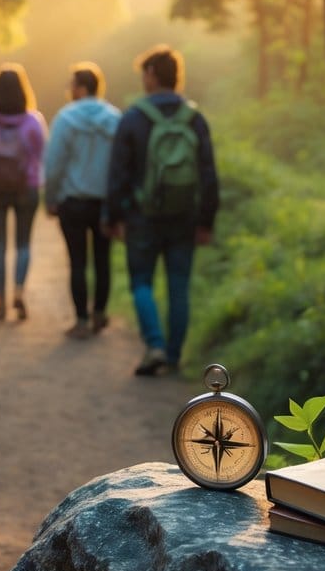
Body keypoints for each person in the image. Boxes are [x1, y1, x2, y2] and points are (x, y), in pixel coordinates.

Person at [106, 45, 219, 376]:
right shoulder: (195, 119)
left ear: (152, 75)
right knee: (178, 285)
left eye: (144, 73)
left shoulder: (133, 118)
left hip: (143, 217)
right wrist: (206, 220)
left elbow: (119, 174)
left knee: (141, 281)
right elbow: (209, 174)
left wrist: (114, 216)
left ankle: (153, 343)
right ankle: (173, 357)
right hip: (184, 216)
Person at [44, 62, 121, 339]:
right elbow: (121, 164)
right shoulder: (114, 118)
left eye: (71, 84)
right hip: (104, 202)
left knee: (77, 261)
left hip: (73, 201)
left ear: (81, 88)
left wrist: (50, 198)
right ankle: (100, 312)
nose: (69, 90)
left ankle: (80, 319)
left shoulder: (65, 119)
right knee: (103, 259)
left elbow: (54, 165)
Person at [0, 63, 47, 321]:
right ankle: (18, 291)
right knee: (24, 244)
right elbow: (41, 156)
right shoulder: (33, 121)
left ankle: (0, 303)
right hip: (26, 187)